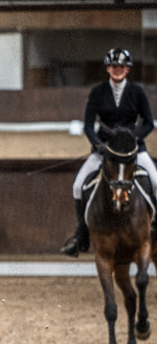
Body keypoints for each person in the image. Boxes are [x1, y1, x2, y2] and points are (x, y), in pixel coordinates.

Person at [61, 47, 157, 257]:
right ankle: (81, 235)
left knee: (156, 181)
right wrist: (97, 145)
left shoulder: (137, 92)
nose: (117, 70)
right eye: (114, 66)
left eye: (121, 66)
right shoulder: (97, 92)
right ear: (108, 68)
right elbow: (88, 125)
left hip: (133, 150)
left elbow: (149, 123)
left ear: (127, 69)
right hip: (105, 151)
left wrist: (134, 139)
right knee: (78, 186)